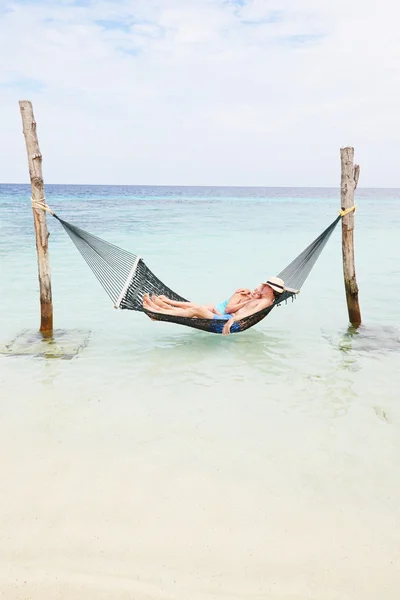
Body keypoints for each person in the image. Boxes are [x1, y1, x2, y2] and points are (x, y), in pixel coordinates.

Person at [142, 277, 285, 335]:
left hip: (228, 323)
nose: (263, 287)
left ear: (271, 290)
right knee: (197, 310)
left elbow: (248, 315)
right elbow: (253, 294)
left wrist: (232, 321)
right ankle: (159, 312)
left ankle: (158, 311)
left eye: (266, 286)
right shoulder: (262, 298)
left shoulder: (266, 302)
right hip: (226, 318)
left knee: (197, 310)